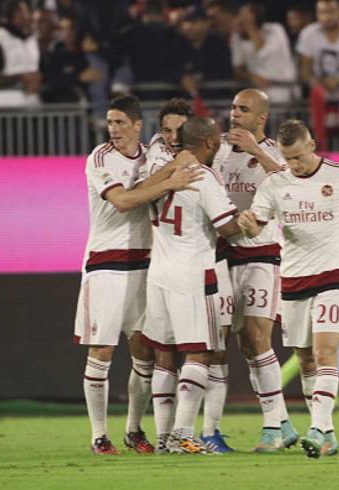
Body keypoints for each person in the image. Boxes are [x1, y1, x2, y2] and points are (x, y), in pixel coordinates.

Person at [238, 119, 339, 459]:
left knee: (324, 353)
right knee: (306, 360)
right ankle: (328, 434)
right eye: (288, 158)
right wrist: (247, 226)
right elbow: (256, 227)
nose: (294, 165)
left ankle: (317, 430)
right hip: (292, 280)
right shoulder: (274, 183)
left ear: (311, 145)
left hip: (331, 277)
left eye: (298, 157)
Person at [73, 93, 203, 455]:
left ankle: (134, 429)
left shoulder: (151, 156)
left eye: (119, 122)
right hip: (105, 265)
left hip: (146, 265)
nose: (112, 129)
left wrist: (168, 169)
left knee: (145, 355)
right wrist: (169, 180)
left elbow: (152, 187)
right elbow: (123, 201)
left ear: (136, 125)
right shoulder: (100, 158)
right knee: (102, 351)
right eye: (109, 122)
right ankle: (99, 434)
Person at [142, 116, 241, 454]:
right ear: (210, 143)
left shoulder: (161, 172)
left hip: (158, 273)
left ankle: (162, 438)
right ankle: (183, 435)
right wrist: (254, 221)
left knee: (164, 355)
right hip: (192, 274)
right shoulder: (203, 175)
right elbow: (227, 227)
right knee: (200, 353)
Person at [212, 88, 299, 452]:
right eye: (233, 107)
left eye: (243, 109)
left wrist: (256, 151)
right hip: (222, 255)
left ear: (262, 117)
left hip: (262, 254)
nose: (235, 114)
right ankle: (283, 422)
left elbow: (295, 188)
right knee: (243, 343)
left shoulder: (274, 153)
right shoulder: (216, 150)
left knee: (258, 336)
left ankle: (271, 429)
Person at [231, 3, 297, 103]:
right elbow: (238, 69)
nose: (240, 19)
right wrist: (252, 77)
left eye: (245, 16)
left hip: (285, 89)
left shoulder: (275, 30)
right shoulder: (237, 37)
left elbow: (263, 53)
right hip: (260, 96)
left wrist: (250, 26)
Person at [0, 0, 41, 107]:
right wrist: (19, 78)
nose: (29, 17)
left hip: (32, 104)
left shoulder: (32, 40)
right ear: (16, 15)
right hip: (5, 106)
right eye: (25, 12)